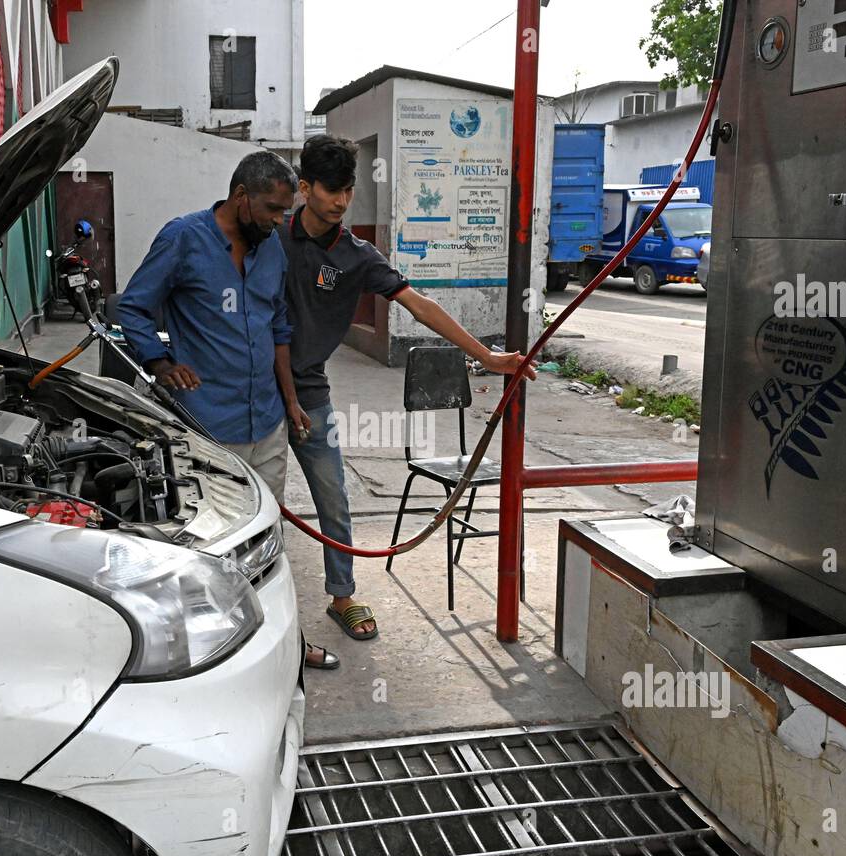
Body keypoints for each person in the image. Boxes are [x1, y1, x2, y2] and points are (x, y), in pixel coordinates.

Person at [275, 134, 536, 641]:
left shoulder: (358, 256)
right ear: (304, 188)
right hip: (255, 392)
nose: (342, 201)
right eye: (331, 190)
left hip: (309, 393)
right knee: (255, 501)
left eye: (349, 190)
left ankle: (342, 596)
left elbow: (420, 305)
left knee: (333, 495)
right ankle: (253, 606)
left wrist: (485, 355)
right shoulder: (272, 238)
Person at [116, 150, 340, 670]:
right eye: (271, 209)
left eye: (286, 211)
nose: (279, 220)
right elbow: (132, 306)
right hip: (206, 426)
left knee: (267, 540)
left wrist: (290, 402)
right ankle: (215, 654)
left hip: (267, 422)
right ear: (241, 197)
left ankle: (284, 642)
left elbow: (278, 328)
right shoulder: (183, 238)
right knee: (209, 545)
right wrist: (159, 361)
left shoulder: (271, 250)